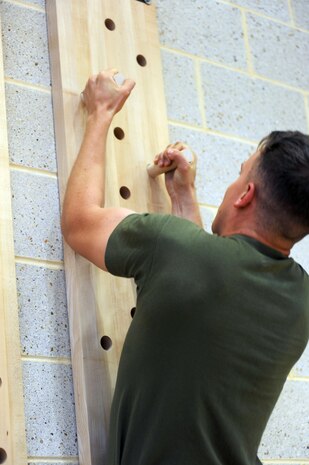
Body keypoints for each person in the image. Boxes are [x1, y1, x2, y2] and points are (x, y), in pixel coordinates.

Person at [62, 69, 309, 465]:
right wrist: (183, 195)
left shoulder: (173, 247)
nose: (232, 185)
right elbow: (207, 290)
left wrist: (101, 113)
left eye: (239, 173)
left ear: (246, 195)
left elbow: (79, 223)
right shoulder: (300, 304)